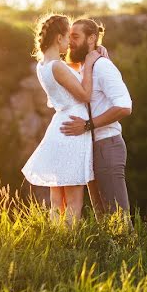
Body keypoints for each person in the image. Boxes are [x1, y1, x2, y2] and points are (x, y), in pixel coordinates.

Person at [21, 14, 102, 225]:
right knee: (74, 197)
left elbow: (65, 83)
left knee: (58, 197)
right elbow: (84, 95)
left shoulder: (43, 65)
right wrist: (91, 63)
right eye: (68, 37)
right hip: (72, 129)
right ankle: (71, 244)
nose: (70, 42)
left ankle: (57, 237)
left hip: (60, 127)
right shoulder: (58, 66)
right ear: (58, 39)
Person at [60, 18, 133, 219]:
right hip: (91, 149)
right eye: (68, 37)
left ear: (91, 38)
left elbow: (124, 106)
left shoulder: (102, 67)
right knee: (103, 220)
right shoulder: (86, 68)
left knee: (118, 219)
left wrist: (87, 125)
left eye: (75, 36)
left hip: (107, 146)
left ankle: (130, 251)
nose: (70, 41)